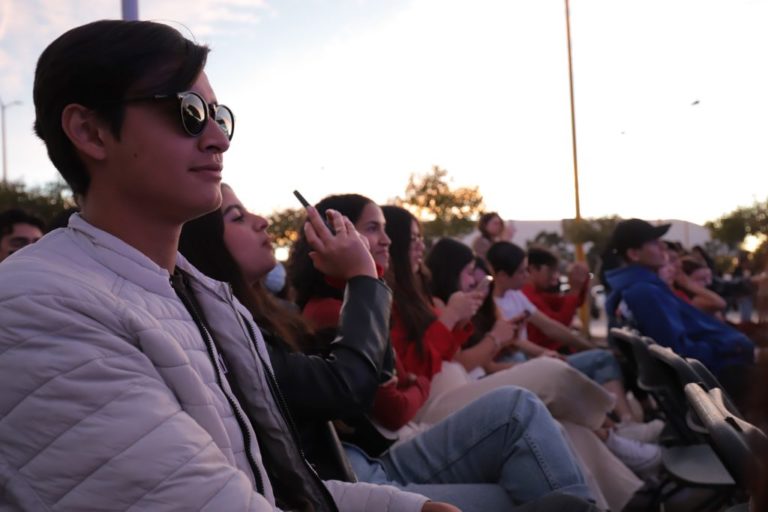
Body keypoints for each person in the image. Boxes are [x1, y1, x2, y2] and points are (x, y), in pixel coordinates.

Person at [0, 19, 453, 512]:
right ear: (90, 132)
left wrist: (405, 507)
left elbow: (274, 484)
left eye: (221, 116)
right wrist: (365, 281)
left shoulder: (200, 296)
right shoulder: (39, 304)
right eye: (189, 113)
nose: (219, 139)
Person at [181, 185, 598, 511]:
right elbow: (372, 392)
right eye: (374, 229)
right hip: (353, 477)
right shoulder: (246, 330)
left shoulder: (278, 314)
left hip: (366, 458)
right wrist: (365, 281)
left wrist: (365, 284)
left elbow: (386, 372)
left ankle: (626, 445)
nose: (262, 220)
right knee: (542, 454)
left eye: (394, 233)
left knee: (524, 410)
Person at [605, 218, 755, 404]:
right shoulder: (644, 292)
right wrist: (729, 346)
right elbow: (678, 350)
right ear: (634, 254)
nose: (662, 247)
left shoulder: (640, 287)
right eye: (653, 242)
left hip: (705, 375)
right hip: (711, 379)